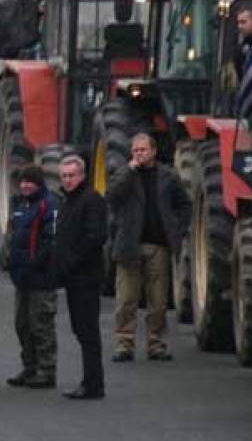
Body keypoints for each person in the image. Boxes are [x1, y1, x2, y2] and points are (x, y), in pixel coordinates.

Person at [108, 133, 190, 362]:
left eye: (143, 150)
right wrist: (129, 169)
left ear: (153, 151)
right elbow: (112, 196)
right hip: (129, 244)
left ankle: (157, 343)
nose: (139, 154)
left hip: (159, 245)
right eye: (135, 151)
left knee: (158, 301)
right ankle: (124, 343)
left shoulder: (168, 176)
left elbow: (184, 205)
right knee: (126, 298)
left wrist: (178, 230)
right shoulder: (125, 175)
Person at [53, 155, 108, 399]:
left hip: (86, 277)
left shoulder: (91, 200)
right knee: (80, 330)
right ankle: (90, 381)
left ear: (82, 175)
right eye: (63, 176)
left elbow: (94, 237)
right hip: (72, 278)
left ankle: (93, 384)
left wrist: (72, 261)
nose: (67, 180)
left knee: (88, 332)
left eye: (71, 175)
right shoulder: (68, 202)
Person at [5, 164, 59, 389]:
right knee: (22, 325)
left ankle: (46, 370)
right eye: (23, 182)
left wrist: (34, 264)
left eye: (30, 182)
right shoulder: (19, 206)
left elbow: (51, 241)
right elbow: (11, 237)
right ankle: (29, 368)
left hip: (41, 277)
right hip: (22, 278)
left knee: (41, 325)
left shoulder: (48, 205)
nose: (25, 185)